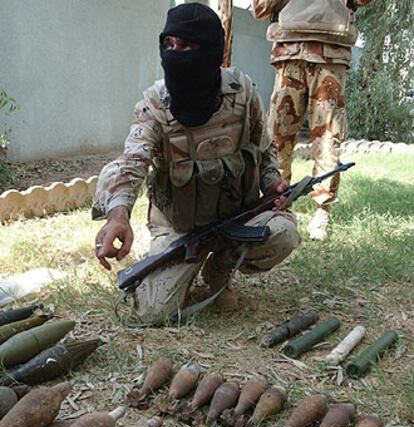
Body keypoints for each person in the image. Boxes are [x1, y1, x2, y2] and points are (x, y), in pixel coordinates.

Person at [93, 2, 300, 325]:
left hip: (236, 219)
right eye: (169, 45)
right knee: (151, 312)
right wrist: (118, 215)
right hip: (179, 228)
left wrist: (272, 182)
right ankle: (189, 265)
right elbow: (131, 163)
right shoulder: (154, 105)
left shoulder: (242, 93)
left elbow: (263, 150)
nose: (176, 54)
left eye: (188, 45)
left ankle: (220, 266)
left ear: (213, 51)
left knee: (283, 232)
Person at [252, 0, 372, 240]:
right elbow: (260, 8)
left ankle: (322, 211)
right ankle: (275, 203)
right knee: (278, 137)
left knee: (328, 138)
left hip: (331, 50)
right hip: (289, 49)